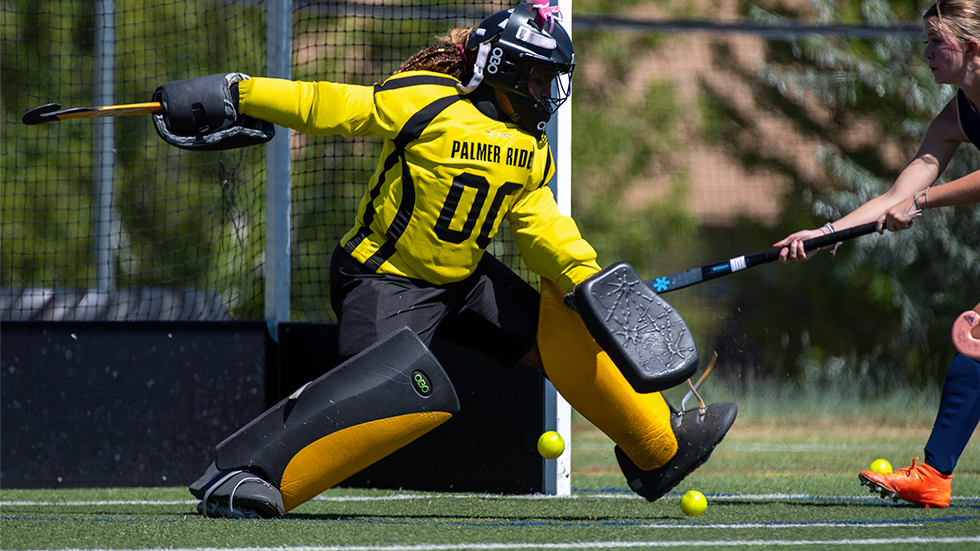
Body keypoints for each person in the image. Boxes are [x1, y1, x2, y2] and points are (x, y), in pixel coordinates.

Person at [154, 3, 736, 519]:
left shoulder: (529, 150)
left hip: (465, 282)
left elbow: (542, 229)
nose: (546, 91)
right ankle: (243, 478)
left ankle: (657, 449)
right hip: (383, 279)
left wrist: (585, 277)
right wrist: (240, 92)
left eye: (552, 78)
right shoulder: (426, 102)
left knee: (561, 318)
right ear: (504, 68)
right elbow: (328, 105)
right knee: (387, 393)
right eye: (538, 76)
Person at [775, 0, 980, 509]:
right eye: (925, 42)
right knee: (976, 349)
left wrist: (924, 201)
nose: (927, 53)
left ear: (972, 47)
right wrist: (825, 233)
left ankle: (933, 475)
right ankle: (933, 477)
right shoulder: (956, 114)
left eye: (938, 42)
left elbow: (917, 198)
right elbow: (896, 195)